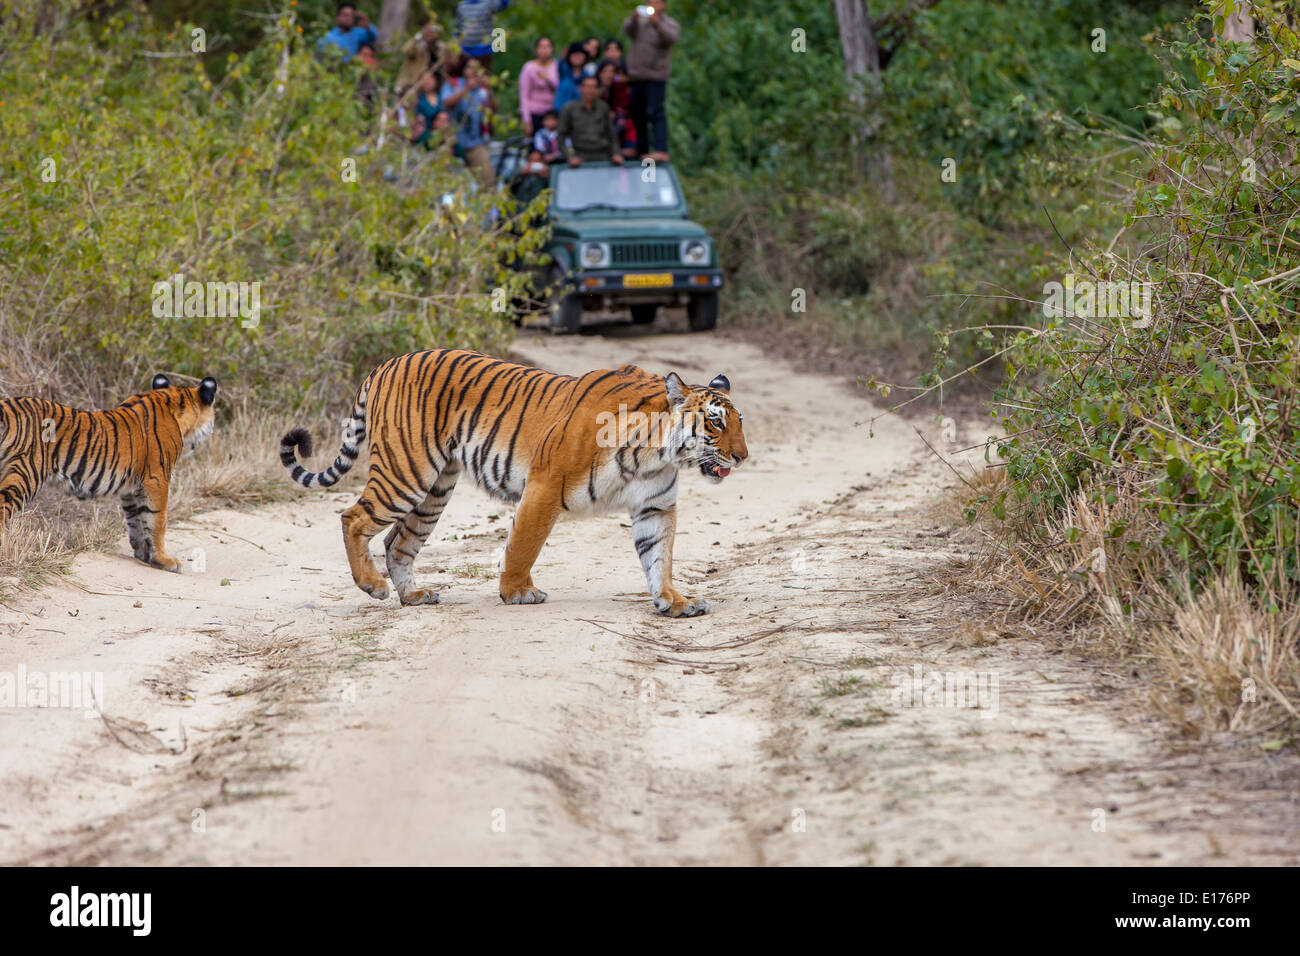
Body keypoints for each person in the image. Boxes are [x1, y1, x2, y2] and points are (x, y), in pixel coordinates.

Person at [622, 0, 678, 162]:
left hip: (656, 76)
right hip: (636, 75)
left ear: (663, 5)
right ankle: (641, 149)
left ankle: (661, 150)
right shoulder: (640, 22)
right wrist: (633, 19)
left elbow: (671, 38)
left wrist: (657, 24)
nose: (651, 4)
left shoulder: (669, 23)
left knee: (655, 112)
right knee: (637, 113)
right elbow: (626, 30)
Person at [444, 59, 497, 186]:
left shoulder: (482, 90)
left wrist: (490, 90)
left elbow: (494, 110)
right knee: (453, 183)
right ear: (464, 70)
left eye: (476, 69)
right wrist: (467, 88)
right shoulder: (453, 84)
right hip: (454, 143)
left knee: (489, 180)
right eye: (470, 68)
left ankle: (490, 204)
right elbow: (446, 103)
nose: (473, 72)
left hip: (475, 142)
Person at [557, 74, 624, 166]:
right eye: (587, 86)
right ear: (581, 88)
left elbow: (612, 134)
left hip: (602, 154)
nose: (590, 90)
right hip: (579, 154)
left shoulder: (603, 107)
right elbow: (561, 136)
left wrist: (616, 153)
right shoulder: (569, 108)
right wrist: (569, 157)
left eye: (594, 87)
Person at [518, 36, 558, 137]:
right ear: (536, 49)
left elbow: (558, 87)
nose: (545, 50)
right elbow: (524, 95)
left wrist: (548, 79)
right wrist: (527, 120)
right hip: (534, 112)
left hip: (551, 113)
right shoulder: (529, 67)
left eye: (548, 47)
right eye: (541, 47)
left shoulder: (556, 66)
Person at [454, 0, 509, 72]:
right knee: (468, 75)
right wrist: (456, 46)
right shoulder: (462, 6)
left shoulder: (488, 3)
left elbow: (503, 4)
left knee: (484, 76)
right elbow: (457, 28)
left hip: (484, 50)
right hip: (466, 50)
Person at [598, 59, 636, 159]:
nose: (609, 75)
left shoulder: (625, 90)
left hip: (626, 131)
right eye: (605, 72)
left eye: (612, 73)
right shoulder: (594, 91)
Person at [397, 21, 444, 95]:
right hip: (410, 90)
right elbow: (405, 50)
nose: (431, 35)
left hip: (432, 93)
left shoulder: (442, 49)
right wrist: (420, 36)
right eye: (429, 32)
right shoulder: (417, 47)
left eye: (433, 32)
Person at [554, 42, 588, 112]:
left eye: (580, 54)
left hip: (579, 115)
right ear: (569, 56)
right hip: (560, 112)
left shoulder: (587, 76)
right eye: (574, 54)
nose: (577, 56)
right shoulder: (563, 70)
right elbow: (559, 62)